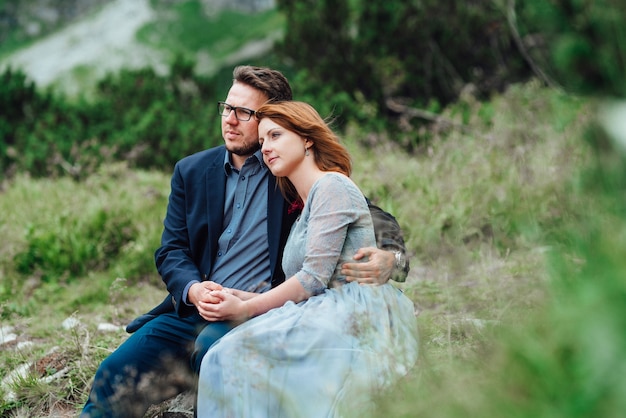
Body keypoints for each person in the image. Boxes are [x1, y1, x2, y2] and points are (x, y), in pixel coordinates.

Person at [80, 66, 409, 418]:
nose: (231, 120)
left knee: (211, 350)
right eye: (227, 108)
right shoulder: (191, 171)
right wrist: (193, 290)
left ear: (272, 117)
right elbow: (171, 249)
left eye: (245, 113)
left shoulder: (285, 166)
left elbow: (361, 210)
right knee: (114, 372)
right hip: (195, 307)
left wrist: (392, 257)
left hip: (263, 310)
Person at [196, 101, 418, 417]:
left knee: (233, 353)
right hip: (316, 305)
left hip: (351, 307)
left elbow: (313, 278)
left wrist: (394, 259)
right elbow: (302, 281)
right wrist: (236, 296)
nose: (266, 148)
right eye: (261, 142)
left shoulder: (332, 185)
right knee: (220, 354)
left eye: (275, 136)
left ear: (306, 138)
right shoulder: (300, 203)